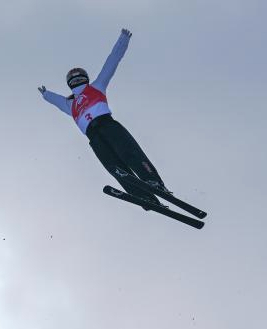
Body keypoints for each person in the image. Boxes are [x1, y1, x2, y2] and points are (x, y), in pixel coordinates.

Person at [38, 28, 171, 207]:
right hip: (94, 137)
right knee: (115, 167)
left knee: (129, 153)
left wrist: (123, 40)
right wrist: (46, 94)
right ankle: (143, 196)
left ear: (84, 78)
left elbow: (111, 62)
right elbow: (57, 100)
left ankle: (153, 182)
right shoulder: (70, 105)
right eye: (73, 78)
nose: (76, 80)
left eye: (78, 77)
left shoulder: (97, 86)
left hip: (108, 126)